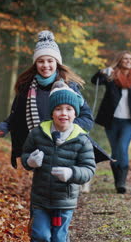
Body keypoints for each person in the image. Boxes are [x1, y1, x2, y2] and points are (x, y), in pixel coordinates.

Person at [0, 30, 94, 169]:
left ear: (57, 62)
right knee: (44, 178)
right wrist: (6, 125)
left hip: (65, 143)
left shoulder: (69, 87)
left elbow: (87, 118)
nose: (45, 65)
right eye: (41, 61)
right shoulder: (26, 87)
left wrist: (66, 128)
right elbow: (17, 114)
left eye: (50, 61)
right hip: (39, 142)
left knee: (62, 179)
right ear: (35, 63)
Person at [21, 80, 96, 241]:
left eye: (69, 109)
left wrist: (71, 172)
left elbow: (89, 169)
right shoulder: (38, 133)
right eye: (58, 109)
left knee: (59, 238)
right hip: (40, 198)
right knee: (41, 235)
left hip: (64, 201)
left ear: (75, 114)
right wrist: (30, 162)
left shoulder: (82, 140)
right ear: (51, 112)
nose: (64, 113)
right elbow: (25, 155)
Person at [91, 51, 131, 194]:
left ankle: (122, 181)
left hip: (128, 121)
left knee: (122, 147)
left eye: (130, 59)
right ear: (119, 61)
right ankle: (118, 183)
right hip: (112, 120)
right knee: (115, 151)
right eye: (125, 59)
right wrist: (102, 72)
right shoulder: (111, 76)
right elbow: (94, 81)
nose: (128, 61)